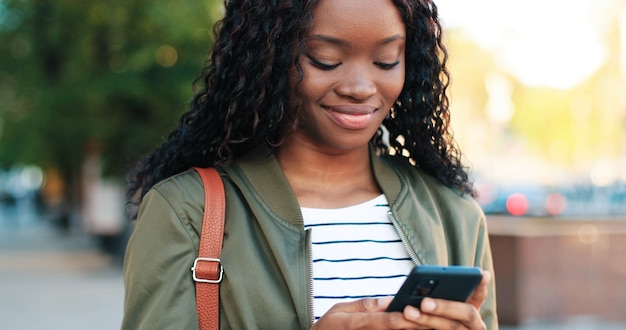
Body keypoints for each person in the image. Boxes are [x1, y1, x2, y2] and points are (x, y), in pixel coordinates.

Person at [122, 0, 498, 329]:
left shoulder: (454, 215)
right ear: (268, 57)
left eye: (386, 61)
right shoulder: (187, 212)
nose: (360, 87)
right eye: (326, 59)